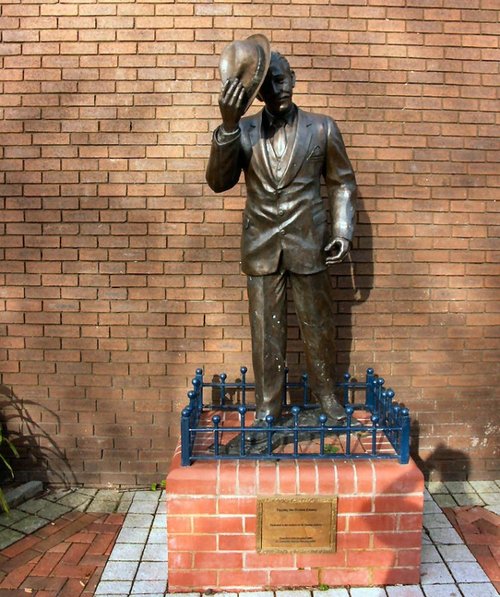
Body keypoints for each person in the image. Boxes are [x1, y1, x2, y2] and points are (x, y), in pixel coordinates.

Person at [206, 38, 357, 427]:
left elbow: (341, 182)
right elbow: (219, 182)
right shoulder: (241, 131)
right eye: (272, 83)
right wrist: (227, 125)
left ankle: (327, 398)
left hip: (310, 243)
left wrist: (342, 229)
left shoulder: (322, 127)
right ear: (259, 92)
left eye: (285, 78)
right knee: (265, 334)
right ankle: (269, 409)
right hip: (261, 246)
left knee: (318, 328)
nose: (282, 88)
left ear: (295, 78)